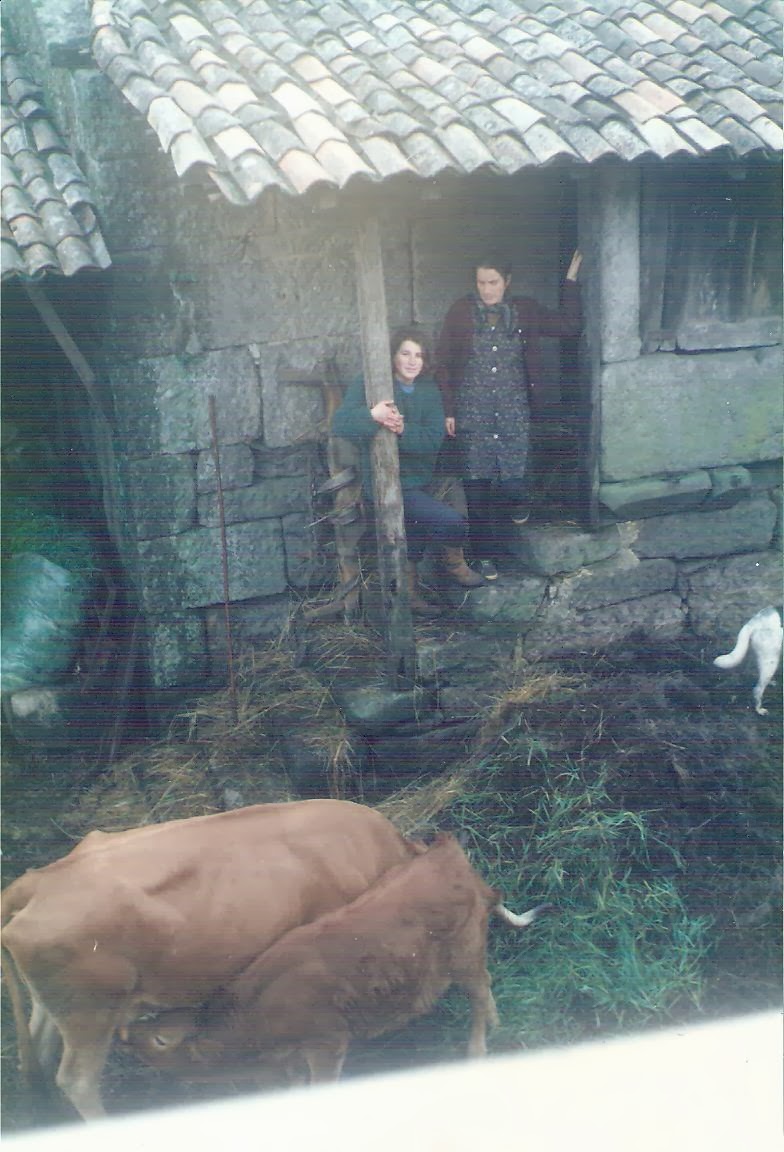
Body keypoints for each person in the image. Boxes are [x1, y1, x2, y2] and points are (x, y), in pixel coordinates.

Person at [435, 250, 583, 580]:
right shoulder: (460, 312)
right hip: (472, 412)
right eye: (481, 283)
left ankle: (518, 504)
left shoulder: (525, 310)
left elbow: (569, 325)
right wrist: (448, 409)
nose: (487, 290)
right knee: (476, 488)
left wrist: (571, 280)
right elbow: (441, 362)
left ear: (507, 282)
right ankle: (484, 556)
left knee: (512, 483)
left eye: (493, 282)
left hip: (513, 412)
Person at [331, 326, 483, 616]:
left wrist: (403, 430)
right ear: (393, 355)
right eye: (405, 353)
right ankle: (454, 567)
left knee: (418, 530)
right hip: (383, 483)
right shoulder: (370, 383)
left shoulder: (428, 390)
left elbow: (432, 440)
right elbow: (341, 424)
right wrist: (373, 415)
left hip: (419, 481)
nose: (413, 361)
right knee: (450, 523)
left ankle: (413, 594)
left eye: (419, 355)